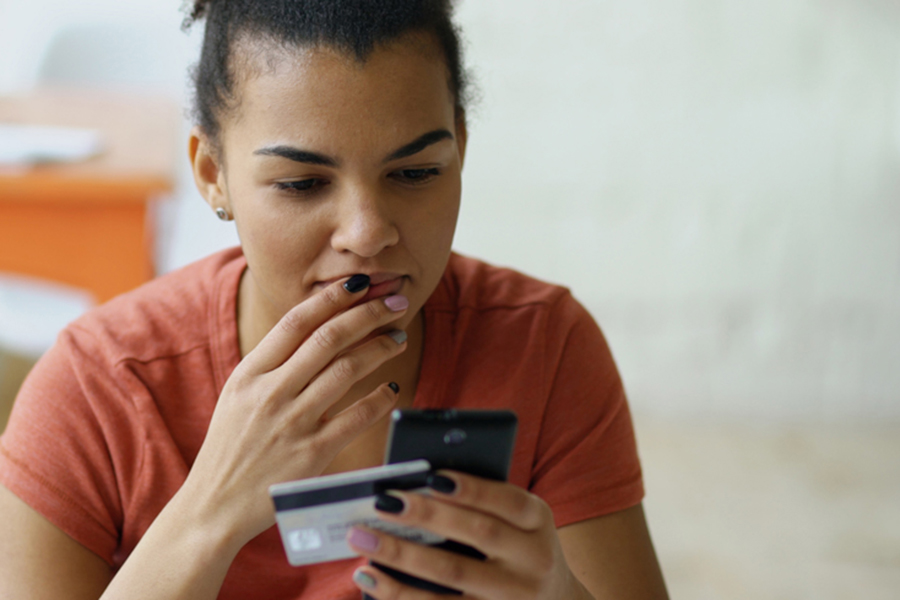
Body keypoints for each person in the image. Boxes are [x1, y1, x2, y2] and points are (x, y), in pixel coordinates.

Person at [0, 1, 669, 598]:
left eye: (415, 173)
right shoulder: (100, 386)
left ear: (460, 149)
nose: (367, 232)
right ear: (213, 175)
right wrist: (209, 511)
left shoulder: (545, 348)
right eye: (300, 184)